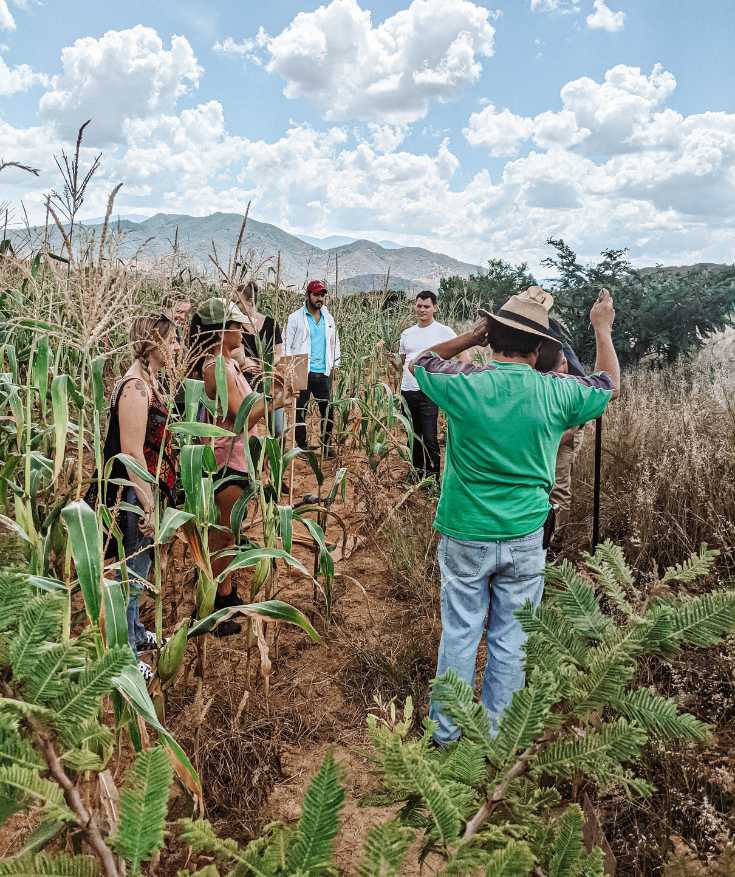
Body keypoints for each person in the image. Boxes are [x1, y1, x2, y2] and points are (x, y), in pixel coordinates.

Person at [409, 287, 620, 744]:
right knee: (512, 639)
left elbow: (421, 361)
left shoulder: (465, 383)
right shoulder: (557, 393)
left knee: (461, 633)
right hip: (526, 533)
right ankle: (500, 737)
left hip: (465, 530)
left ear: (492, 336)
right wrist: (602, 328)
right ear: (542, 347)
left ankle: (446, 737)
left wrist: (471, 337)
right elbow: (608, 383)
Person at [189, 297, 293, 637]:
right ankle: (216, 606)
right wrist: (279, 396)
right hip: (225, 459)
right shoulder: (215, 368)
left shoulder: (227, 364)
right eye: (234, 325)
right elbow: (243, 415)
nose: (241, 330)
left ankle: (227, 592)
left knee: (230, 531)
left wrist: (275, 387)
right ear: (219, 332)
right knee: (222, 533)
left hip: (236, 456)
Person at [95, 314, 180, 681]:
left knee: (141, 569)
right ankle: (126, 657)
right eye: (173, 341)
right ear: (155, 344)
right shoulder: (135, 389)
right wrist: (146, 504)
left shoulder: (148, 381)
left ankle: (133, 631)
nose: (178, 347)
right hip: (132, 494)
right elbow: (131, 453)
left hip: (144, 489)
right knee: (133, 574)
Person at [398, 291, 457, 480]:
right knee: (412, 436)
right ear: (415, 306)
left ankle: (432, 479)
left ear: (435, 308)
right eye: (419, 306)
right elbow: (401, 362)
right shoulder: (407, 334)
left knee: (430, 437)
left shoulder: (444, 331)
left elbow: (462, 355)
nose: (422, 309)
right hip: (407, 391)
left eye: (426, 306)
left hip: (430, 392)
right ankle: (415, 475)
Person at [285, 280, 341, 457]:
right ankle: (302, 446)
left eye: (322, 295)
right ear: (308, 295)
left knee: (328, 410)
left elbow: (334, 342)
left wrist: (335, 364)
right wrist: (289, 372)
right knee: (300, 410)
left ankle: (325, 445)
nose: (320, 298)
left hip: (323, 371)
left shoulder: (329, 318)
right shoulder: (295, 318)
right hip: (301, 368)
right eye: (316, 294)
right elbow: (286, 343)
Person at [231, 280, 285, 437]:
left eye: (237, 302)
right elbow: (238, 354)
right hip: (245, 382)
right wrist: (251, 364)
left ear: (251, 302)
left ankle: (277, 459)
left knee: (278, 430)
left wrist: (264, 366)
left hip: (269, 380)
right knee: (245, 427)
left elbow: (278, 353)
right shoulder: (236, 326)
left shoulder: (271, 324)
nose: (234, 306)